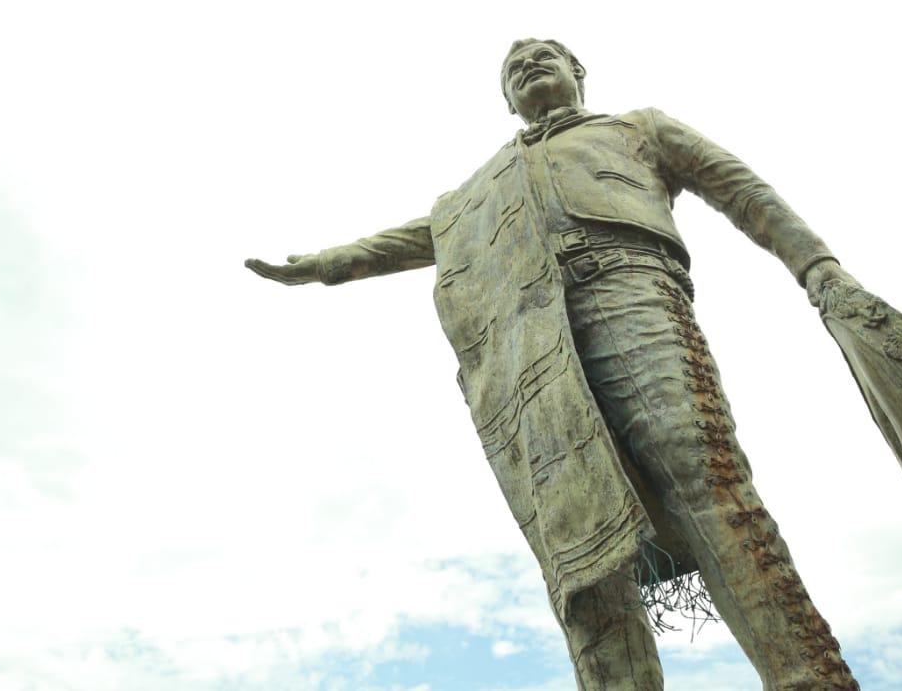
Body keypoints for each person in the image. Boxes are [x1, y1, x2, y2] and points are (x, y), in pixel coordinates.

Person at [247, 38, 860, 690]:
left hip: (630, 288)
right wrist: (331, 264)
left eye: (545, 54)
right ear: (506, 99)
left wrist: (816, 266)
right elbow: (422, 236)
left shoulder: (637, 129)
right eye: (513, 67)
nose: (528, 64)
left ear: (578, 72)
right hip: (527, 341)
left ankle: (808, 679)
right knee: (576, 545)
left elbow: (744, 191)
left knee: (696, 467)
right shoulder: (477, 192)